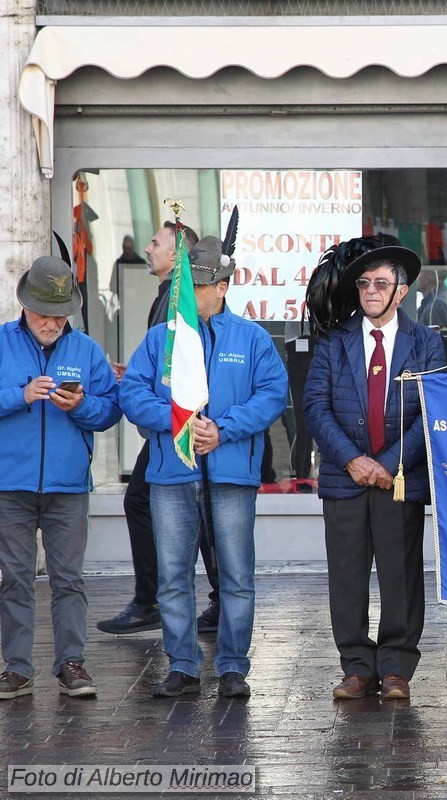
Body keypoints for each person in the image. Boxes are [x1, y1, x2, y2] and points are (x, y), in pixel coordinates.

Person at [121, 235, 287, 698]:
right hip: (172, 474)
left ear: (224, 286)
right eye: (185, 286)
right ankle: (183, 665)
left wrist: (224, 428)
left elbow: (272, 394)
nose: (190, 295)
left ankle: (233, 666)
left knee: (236, 575)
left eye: (199, 285)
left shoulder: (252, 338)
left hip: (231, 474)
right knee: (173, 576)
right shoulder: (160, 338)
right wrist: (177, 421)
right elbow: (132, 394)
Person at [304, 243, 447, 700]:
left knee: (400, 574)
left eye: (380, 283)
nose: (369, 291)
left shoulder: (425, 342)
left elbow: (433, 408)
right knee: (346, 575)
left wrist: (389, 464)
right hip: (345, 478)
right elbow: (315, 407)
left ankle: (396, 667)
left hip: (398, 479)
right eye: (364, 283)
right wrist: (353, 459)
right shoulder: (334, 340)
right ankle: (357, 667)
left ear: (401, 292)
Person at [0, 256, 121, 700]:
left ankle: (71, 663)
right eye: (43, 312)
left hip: (68, 486)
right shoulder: (1, 343)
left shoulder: (87, 350)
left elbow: (110, 409)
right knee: (14, 577)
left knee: (68, 578)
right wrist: (19, 396)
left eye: (59, 313)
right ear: (25, 306)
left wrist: (82, 407)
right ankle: (16, 668)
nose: (52, 322)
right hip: (9, 484)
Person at [97, 221, 224, 636]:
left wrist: (170, 413)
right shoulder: (165, 294)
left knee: (150, 501)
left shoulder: (178, 297)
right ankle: (204, 599)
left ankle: (153, 599)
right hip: (171, 418)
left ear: (178, 255)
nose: (147, 248)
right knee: (190, 506)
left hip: (180, 423)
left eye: (157, 242)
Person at [415, 268, 447, 333]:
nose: (415, 277)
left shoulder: (437, 304)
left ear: (428, 277)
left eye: (419, 273)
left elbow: (437, 339)